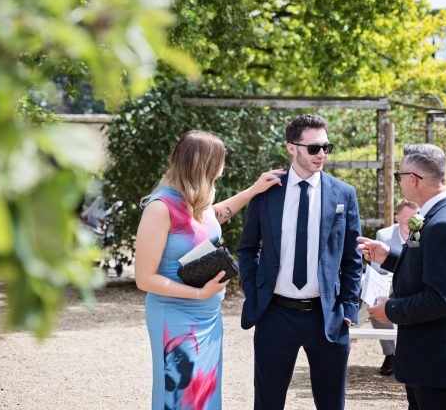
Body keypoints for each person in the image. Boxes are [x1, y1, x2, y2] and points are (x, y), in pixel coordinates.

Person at [135, 130, 285, 410]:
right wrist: (198, 293)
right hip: (175, 319)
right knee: (179, 396)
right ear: (204, 165)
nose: (223, 169)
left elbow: (215, 216)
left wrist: (253, 191)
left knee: (204, 395)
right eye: (220, 162)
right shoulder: (160, 208)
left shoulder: (196, 204)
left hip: (208, 319)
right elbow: (144, 278)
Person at [238, 113, 363, 410]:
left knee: (331, 403)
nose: (322, 154)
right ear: (292, 148)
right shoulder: (267, 191)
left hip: (326, 316)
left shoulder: (344, 194)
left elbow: (352, 257)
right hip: (275, 314)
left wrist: (348, 307)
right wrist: (255, 293)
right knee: (267, 403)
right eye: (314, 148)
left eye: (326, 147)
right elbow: (247, 248)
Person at [357, 144, 446, 410]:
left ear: (413, 179)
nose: (400, 182)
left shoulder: (443, 224)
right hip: (432, 360)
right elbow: (430, 268)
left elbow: (440, 299)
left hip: (439, 363)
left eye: (399, 176)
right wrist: (389, 257)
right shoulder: (445, 214)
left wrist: (389, 310)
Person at [369, 199, 420, 376]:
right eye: (405, 218)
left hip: (417, 288)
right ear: (397, 217)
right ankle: (390, 354)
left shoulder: (426, 234)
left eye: (413, 218)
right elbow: (377, 269)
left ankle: (414, 355)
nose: (408, 223)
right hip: (391, 285)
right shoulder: (384, 235)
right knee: (377, 301)